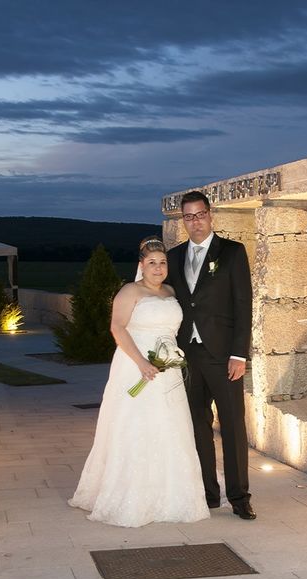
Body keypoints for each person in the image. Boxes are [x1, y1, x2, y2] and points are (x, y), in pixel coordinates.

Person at [68, 237, 209, 527]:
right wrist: (142, 363)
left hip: (167, 370)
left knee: (170, 428)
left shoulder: (171, 291)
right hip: (135, 366)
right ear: (141, 266)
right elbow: (117, 328)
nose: (158, 268)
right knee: (135, 426)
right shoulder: (130, 291)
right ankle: (130, 496)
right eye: (152, 263)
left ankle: (170, 495)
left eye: (162, 263)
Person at [166, 190, 256, 520]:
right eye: (188, 217)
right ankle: (208, 493)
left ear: (210, 214)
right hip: (186, 357)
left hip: (223, 356)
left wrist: (239, 354)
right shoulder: (173, 257)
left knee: (232, 425)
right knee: (197, 426)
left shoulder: (232, 253)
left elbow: (243, 306)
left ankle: (239, 496)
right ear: (183, 220)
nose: (195, 222)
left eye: (200, 214)